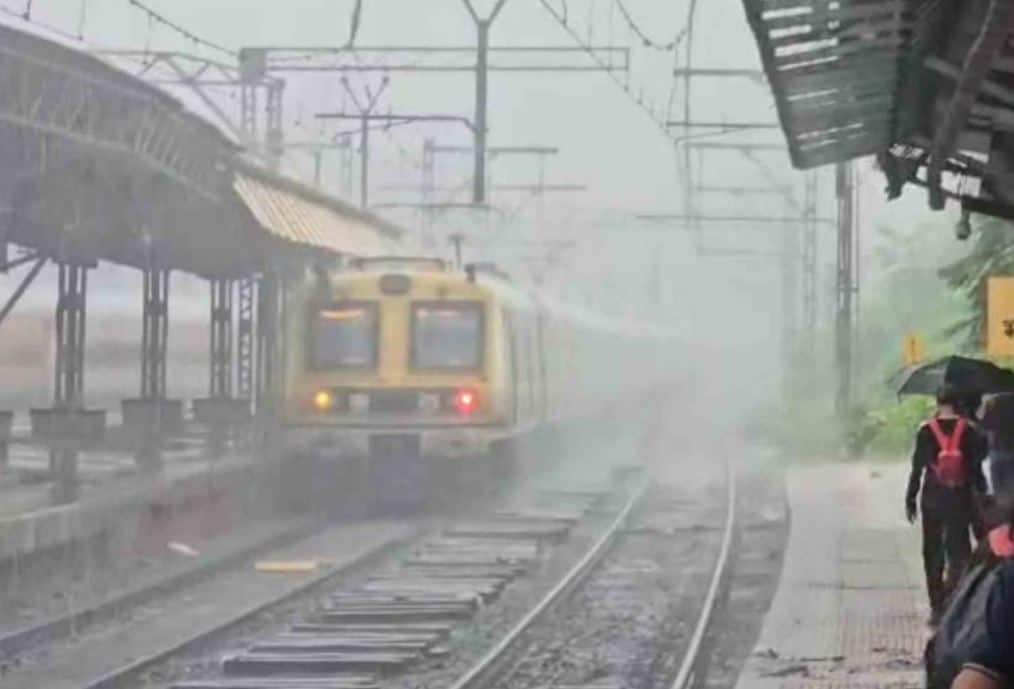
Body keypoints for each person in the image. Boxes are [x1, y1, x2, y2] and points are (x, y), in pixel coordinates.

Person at [907, 384, 988, 622]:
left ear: (938, 402)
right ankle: (956, 603)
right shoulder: (969, 431)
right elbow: (976, 472)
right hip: (960, 499)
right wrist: (982, 501)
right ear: (958, 404)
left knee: (932, 552)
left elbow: (917, 468)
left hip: (932, 498)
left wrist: (911, 498)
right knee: (959, 552)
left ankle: (936, 606)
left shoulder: (926, 431)